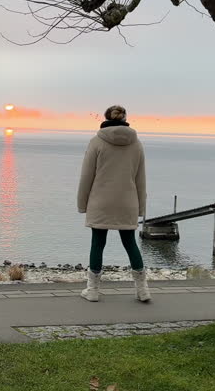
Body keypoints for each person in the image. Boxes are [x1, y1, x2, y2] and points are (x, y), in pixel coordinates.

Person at [77, 105, 150, 302]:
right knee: (130, 243)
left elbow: (86, 176)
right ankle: (142, 290)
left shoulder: (96, 142)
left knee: (98, 244)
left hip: (101, 201)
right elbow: (140, 179)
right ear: (125, 118)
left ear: (106, 118)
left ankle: (92, 290)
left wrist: (82, 204)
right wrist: (141, 207)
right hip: (127, 202)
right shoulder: (137, 144)